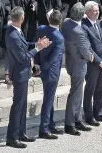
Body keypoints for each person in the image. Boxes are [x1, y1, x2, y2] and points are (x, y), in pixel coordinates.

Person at [5, 6, 51, 148]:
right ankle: (12, 137)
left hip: (23, 73)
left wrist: (36, 44)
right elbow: (24, 58)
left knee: (23, 105)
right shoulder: (12, 34)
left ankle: (21, 133)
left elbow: (24, 45)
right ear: (22, 18)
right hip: (19, 74)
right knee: (18, 105)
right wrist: (38, 48)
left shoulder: (15, 30)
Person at [60, 2, 94, 135]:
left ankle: (77, 119)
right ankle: (69, 123)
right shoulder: (78, 32)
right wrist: (90, 55)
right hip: (78, 64)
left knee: (78, 92)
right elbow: (85, 51)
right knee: (75, 94)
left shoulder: (67, 22)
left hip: (71, 62)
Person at [34, 10, 65, 139]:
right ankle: (44, 128)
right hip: (51, 71)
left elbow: (37, 46)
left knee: (49, 98)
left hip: (43, 68)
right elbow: (53, 57)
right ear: (60, 21)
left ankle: (50, 124)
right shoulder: (59, 37)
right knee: (48, 99)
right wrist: (42, 68)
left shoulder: (40, 28)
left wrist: (37, 64)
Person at [81, 1, 102, 126]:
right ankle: (89, 116)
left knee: (100, 89)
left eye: (98, 10)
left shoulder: (100, 24)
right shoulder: (84, 26)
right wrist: (100, 62)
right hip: (93, 63)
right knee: (90, 89)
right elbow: (88, 47)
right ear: (87, 12)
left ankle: (98, 112)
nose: (97, 12)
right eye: (94, 10)